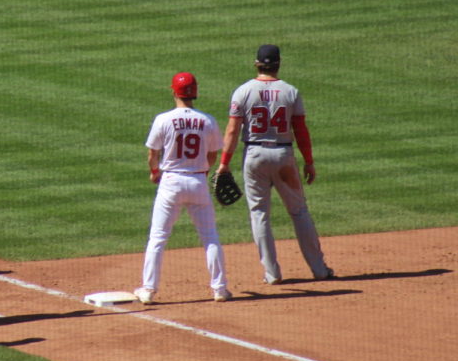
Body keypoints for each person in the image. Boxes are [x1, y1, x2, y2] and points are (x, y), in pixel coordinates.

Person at [216, 44, 334, 285]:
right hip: (284, 156)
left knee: (259, 214)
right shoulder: (290, 91)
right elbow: (301, 130)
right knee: (299, 211)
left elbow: (232, 130)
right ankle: (320, 269)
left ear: (257, 64)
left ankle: (272, 274)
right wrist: (309, 162)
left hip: (254, 156)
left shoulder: (243, 91)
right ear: (278, 63)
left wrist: (223, 164)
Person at [134, 71, 232, 305]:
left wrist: (155, 172)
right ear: (195, 92)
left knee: (158, 237)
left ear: (173, 91)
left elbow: (152, 153)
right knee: (210, 237)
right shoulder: (207, 120)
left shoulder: (163, 119)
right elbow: (212, 153)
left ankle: (148, 290)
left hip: (171, 182)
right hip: (197, 181)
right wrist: (202, 172)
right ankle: (220, 288)